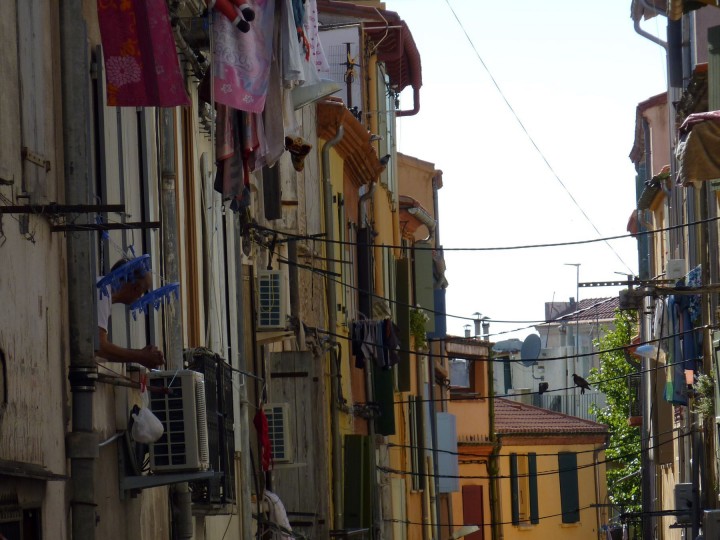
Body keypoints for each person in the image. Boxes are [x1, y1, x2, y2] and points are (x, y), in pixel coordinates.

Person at [96, 258, 165, 369]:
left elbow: (102, 349)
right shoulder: (102, 294)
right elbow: (99, 346)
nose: (139, 297)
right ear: (136, 288)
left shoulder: (104, 294)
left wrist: (140, 355)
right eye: (141, 292)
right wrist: (140, 356)